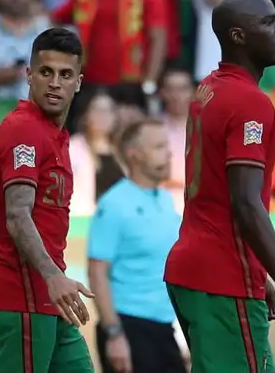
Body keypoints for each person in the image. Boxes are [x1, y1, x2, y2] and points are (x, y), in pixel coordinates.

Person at [164, 0, 275, 372]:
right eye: (267, 23)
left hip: (193, 267)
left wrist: (255, 268)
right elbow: (245, 202)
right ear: (238, 36)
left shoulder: (209, 89)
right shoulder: (250, 102)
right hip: (221, 275)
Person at [0, 27, 96, 373]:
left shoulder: (54, 135)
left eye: (65, 75)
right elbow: (17, 216)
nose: (55, 83)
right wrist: (51, 279)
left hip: (44, 301)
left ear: (79, 82)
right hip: (26, 296)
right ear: (29, 75)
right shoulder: (24, 130)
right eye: (46, 72)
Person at [89, 119, 185, 373]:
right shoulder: (114, 204)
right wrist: (114, 334)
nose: (169, 152)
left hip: (165, 328)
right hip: (129, 328)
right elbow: (97, 272)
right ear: (135, 155)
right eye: (159, 146)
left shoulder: (165, 199)